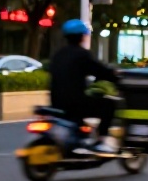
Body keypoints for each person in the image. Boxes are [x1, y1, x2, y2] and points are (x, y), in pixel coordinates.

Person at [49, 19, 122, 152]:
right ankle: (102, 140)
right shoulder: (82, 55)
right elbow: (100, 71)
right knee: (109, 105)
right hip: (75, 103)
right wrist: (115, 77)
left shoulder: (57, 55)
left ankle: (82, 138)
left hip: (56, 103)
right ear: (82, 36)